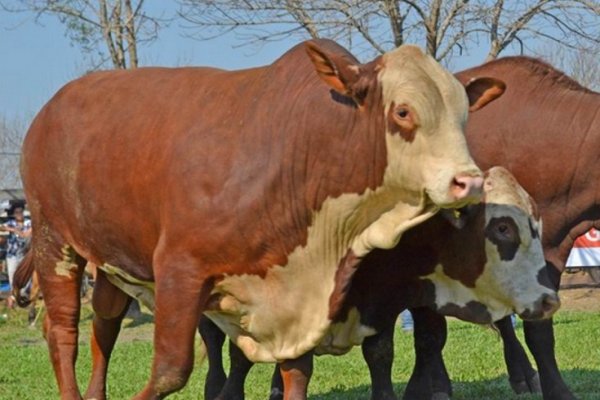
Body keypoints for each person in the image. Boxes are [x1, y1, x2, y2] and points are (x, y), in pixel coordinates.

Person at [1, 202, 32, 309]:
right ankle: (15, 298)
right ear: (14, 214)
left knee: (25, 277)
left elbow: (32, 230)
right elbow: (1, 227)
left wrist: (26, 232)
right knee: (12, 276)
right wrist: (13, 230)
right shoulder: (11, 223)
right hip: (12, 255)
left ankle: (20, 298)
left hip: (24, 255)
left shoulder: (28, 223)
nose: (19, 214)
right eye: (16, 212)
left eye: (20, 212)